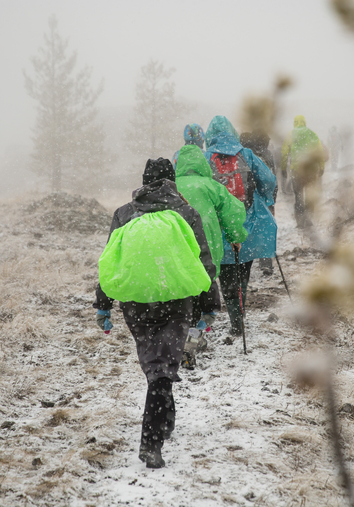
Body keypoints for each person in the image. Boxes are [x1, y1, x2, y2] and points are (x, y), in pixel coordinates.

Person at [93, 158, 215, 469]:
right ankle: (151, 442)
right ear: (172, 182)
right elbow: (201, 258)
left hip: (136, 301)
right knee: (163, 368)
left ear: (144, 181)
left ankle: (165, 420)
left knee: (156, 362)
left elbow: (111, 260)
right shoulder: (185, 212)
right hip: (177, 300)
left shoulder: (124, 213)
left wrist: (103, 302)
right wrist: (208, 304)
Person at [203, 116, 277, 338]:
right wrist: (264, 198)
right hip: (248, 223)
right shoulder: (246, 154)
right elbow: (269, 179)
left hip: (219, 227)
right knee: (243, 269)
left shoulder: (206, 159)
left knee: (226, 273)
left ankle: (235, 317)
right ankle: (239, 314)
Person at [174, 144, 248, 361]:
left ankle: (180, 337)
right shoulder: (210, 186)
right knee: (201, 288)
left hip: (176, 246)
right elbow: (231, 212)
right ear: (201, 164)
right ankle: (193, 337)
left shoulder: (171, 186)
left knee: (181, 292)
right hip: (206, 244)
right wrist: (236, 237)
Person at [240, 130, 277, 276]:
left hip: (246, 198)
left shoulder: (242, 155)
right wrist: (272, 198)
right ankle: (266, 262)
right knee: (265, 229)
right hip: (265, 197)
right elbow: (271, 177)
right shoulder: (266, 154)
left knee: (246, 227)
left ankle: (245, 258)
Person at [281, 115, 327, 228]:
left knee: (298, 196)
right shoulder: (312, 134)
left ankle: (300, 222)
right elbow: (319, 151)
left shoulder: (291, 134)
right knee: (309, 195)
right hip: (310, 170)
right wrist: (321, 166)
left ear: (295, 123)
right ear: (304, 122)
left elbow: (284, 152)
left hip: (296, 170)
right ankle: (309, 220)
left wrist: (283, 167)